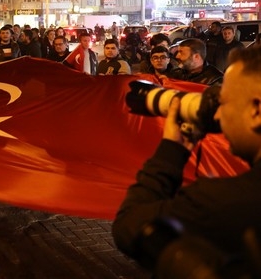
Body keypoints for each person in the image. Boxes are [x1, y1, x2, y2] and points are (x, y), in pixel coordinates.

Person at [112, 44, 261, 272]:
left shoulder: (219, 201)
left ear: (257, 111)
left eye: (225, 102)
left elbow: (129, 225)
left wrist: (171, 149)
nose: (219, 114)